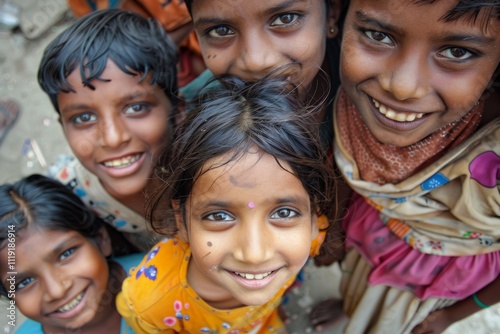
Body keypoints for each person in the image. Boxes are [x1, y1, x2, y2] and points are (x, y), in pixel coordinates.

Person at [309, 1, 500, 333]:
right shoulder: (355, 103)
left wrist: (450, 317)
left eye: (456, 52)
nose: (402, 87)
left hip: (427, 282)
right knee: (358, 291)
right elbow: (345, 158)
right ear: (338, 17)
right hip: (366, 240)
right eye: (377, 35)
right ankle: (352, 307)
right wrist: (335, 233)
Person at [116, 75, 336, 333]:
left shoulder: (312, 237)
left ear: (313, 217)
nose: (255, 255)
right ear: (181, 220)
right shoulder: (152, 303)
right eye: (219, 216)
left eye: (284, 212)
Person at [37, 9, 179, 252]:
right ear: (63, 127)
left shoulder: (210, 157)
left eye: (136, 108)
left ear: (178, 108)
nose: (113, 139)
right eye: (83, 118)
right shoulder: (69, 194)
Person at [0, 174, 145, 334]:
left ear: (101, 239)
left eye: (66, 254)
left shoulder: (166, 280)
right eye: (24, 282)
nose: (56, 291)